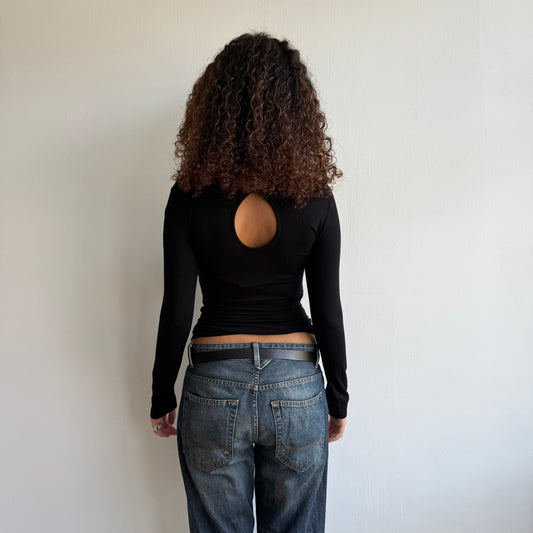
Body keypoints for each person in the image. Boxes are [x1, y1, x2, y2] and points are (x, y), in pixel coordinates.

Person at [149, 31, 349, 533]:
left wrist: (161, 393)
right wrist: (339, 397)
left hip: (213, 381)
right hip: (296, 382)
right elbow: (328, 310)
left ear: (213, 109)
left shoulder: (188, 196)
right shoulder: (317, 198)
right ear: (297, 112)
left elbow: (177, 307)